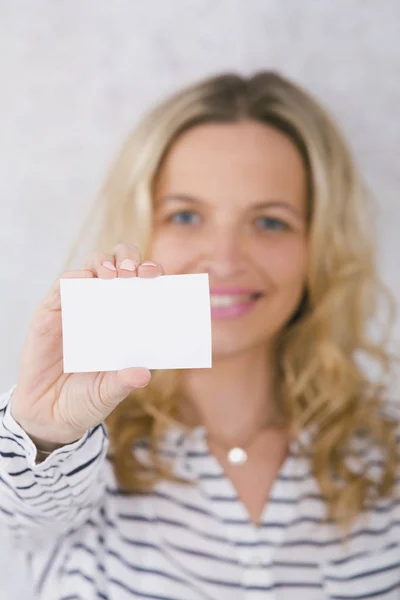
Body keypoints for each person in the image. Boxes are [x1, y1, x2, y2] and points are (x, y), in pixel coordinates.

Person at [0, 71, 399, 600]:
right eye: (186, 215)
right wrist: (47, 435)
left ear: (318, 245)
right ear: (143, 229)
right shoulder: (82, 455)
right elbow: (21, 514)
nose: (225, 260)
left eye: (271, 222)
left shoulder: (385, 456)